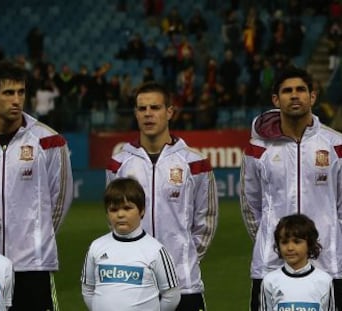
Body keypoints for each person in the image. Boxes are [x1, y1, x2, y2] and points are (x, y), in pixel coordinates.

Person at [0, 60, 74, 311]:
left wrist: (38, 237)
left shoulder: (49, 140)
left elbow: (61, 198)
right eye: (8, 93)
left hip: (33, 265)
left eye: (21, 92)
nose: (17, 100)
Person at [106, 81, 219, 311]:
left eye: (155, 107)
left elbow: (206, 221)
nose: (148, 114)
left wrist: (184, 256)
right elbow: (115, 220)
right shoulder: (119, 163)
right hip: (136, 285)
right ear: (136, 113)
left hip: (183, 284)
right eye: (142, 108)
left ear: (169, 112)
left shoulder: (195, 163)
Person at [240, 65, 342, 311]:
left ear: (313, 96)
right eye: (287, 91)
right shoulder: (258, 149)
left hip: (328, 262)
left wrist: (331, 239)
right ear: (276, 99)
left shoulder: (336, 145)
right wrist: (273, 239)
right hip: (271, 263)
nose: (294, 95)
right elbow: (250, 205)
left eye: (300, 90)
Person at [81, 177, 181, 311]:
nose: (120, 214)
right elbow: (88, 289)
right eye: (114, 210)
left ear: (142, 210)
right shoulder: (96, 247)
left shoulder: (155, 250)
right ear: (107, 213)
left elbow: (171, 294)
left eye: (127, 208)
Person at [260, 214, 335, 311]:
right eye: (284, 242)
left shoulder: (325, 281)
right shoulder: (269, 281)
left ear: (310, 244)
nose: (290, 248)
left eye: (297, 242)